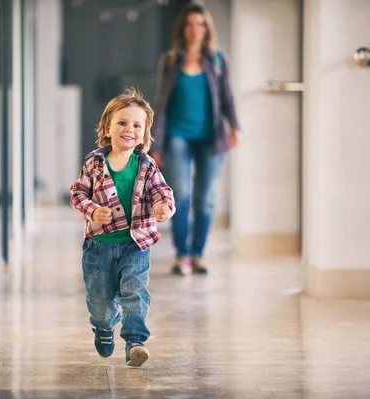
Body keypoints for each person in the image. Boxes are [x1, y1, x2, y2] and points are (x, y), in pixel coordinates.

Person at [70, 88, 175, 367]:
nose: (129, 129)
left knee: (135, 291)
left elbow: (161, 191)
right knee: (101, 301)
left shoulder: (147, 165)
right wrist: (92, 211)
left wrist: (162, 207)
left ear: (144, 133)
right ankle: (104, 329)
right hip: (99, 247)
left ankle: (135, 342)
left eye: (137, 125)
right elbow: (78, 193)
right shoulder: (94, 163)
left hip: (135, 245)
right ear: (107, 127)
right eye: (122, 123)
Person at [150, 3, 241, 276]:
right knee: (181, 194)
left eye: (200, 24)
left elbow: (227, 96)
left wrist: (235, 125)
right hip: (178, 135)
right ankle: (181, 255)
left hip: (210, 137)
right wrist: (157, 143)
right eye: (189, 24)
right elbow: (161, 102)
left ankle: (198, 253)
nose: (194, 29)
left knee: (205, 199)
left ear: (206, 28)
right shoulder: (170, 61)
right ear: (182, 29)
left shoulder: (217, 61)